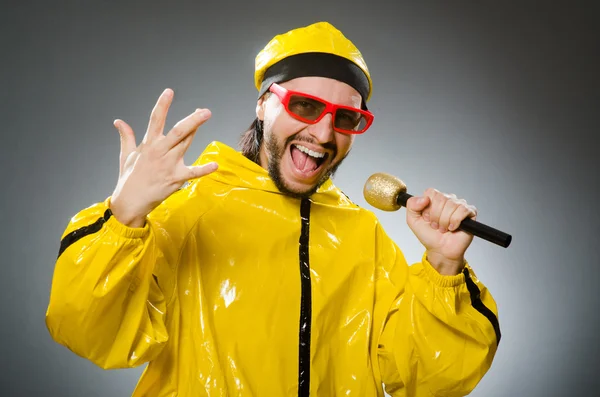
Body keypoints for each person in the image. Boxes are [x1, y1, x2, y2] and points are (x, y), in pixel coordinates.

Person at [46, 21, 501, 397]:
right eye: (305, 106)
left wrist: (444, 267)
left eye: (346, 118)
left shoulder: (363, 234)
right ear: (264, 105)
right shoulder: (190, 210)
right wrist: (123, 218)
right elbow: (90, 335)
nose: (324, 134)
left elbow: (427, 377)